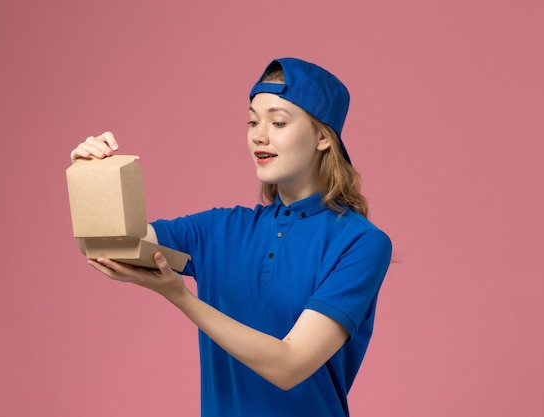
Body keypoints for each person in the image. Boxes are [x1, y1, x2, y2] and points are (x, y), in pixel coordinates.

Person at [70, 57, 392, 417]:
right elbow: (109, 244)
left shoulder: (361, 243)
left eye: (278, 121)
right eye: (253, 121)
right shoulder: (219, 231)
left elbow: (290, 365)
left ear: (322, 136)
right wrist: (92, 175)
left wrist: (179, 297)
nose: (259, 134)